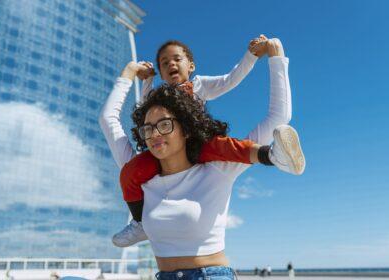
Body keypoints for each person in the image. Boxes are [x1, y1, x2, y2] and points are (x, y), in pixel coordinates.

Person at [99, 38, 305, 279]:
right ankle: (139, 223)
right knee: (129, 171)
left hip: (210, 274)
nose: (155, 132)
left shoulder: (217, 168)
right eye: (149, 127)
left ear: (185, 126)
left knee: (229, 146)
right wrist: (133, 73)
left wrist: (274, 55)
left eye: (165, 124)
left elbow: (260, 102)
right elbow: (110, 119)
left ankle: (271, 155)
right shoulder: (144, 170)